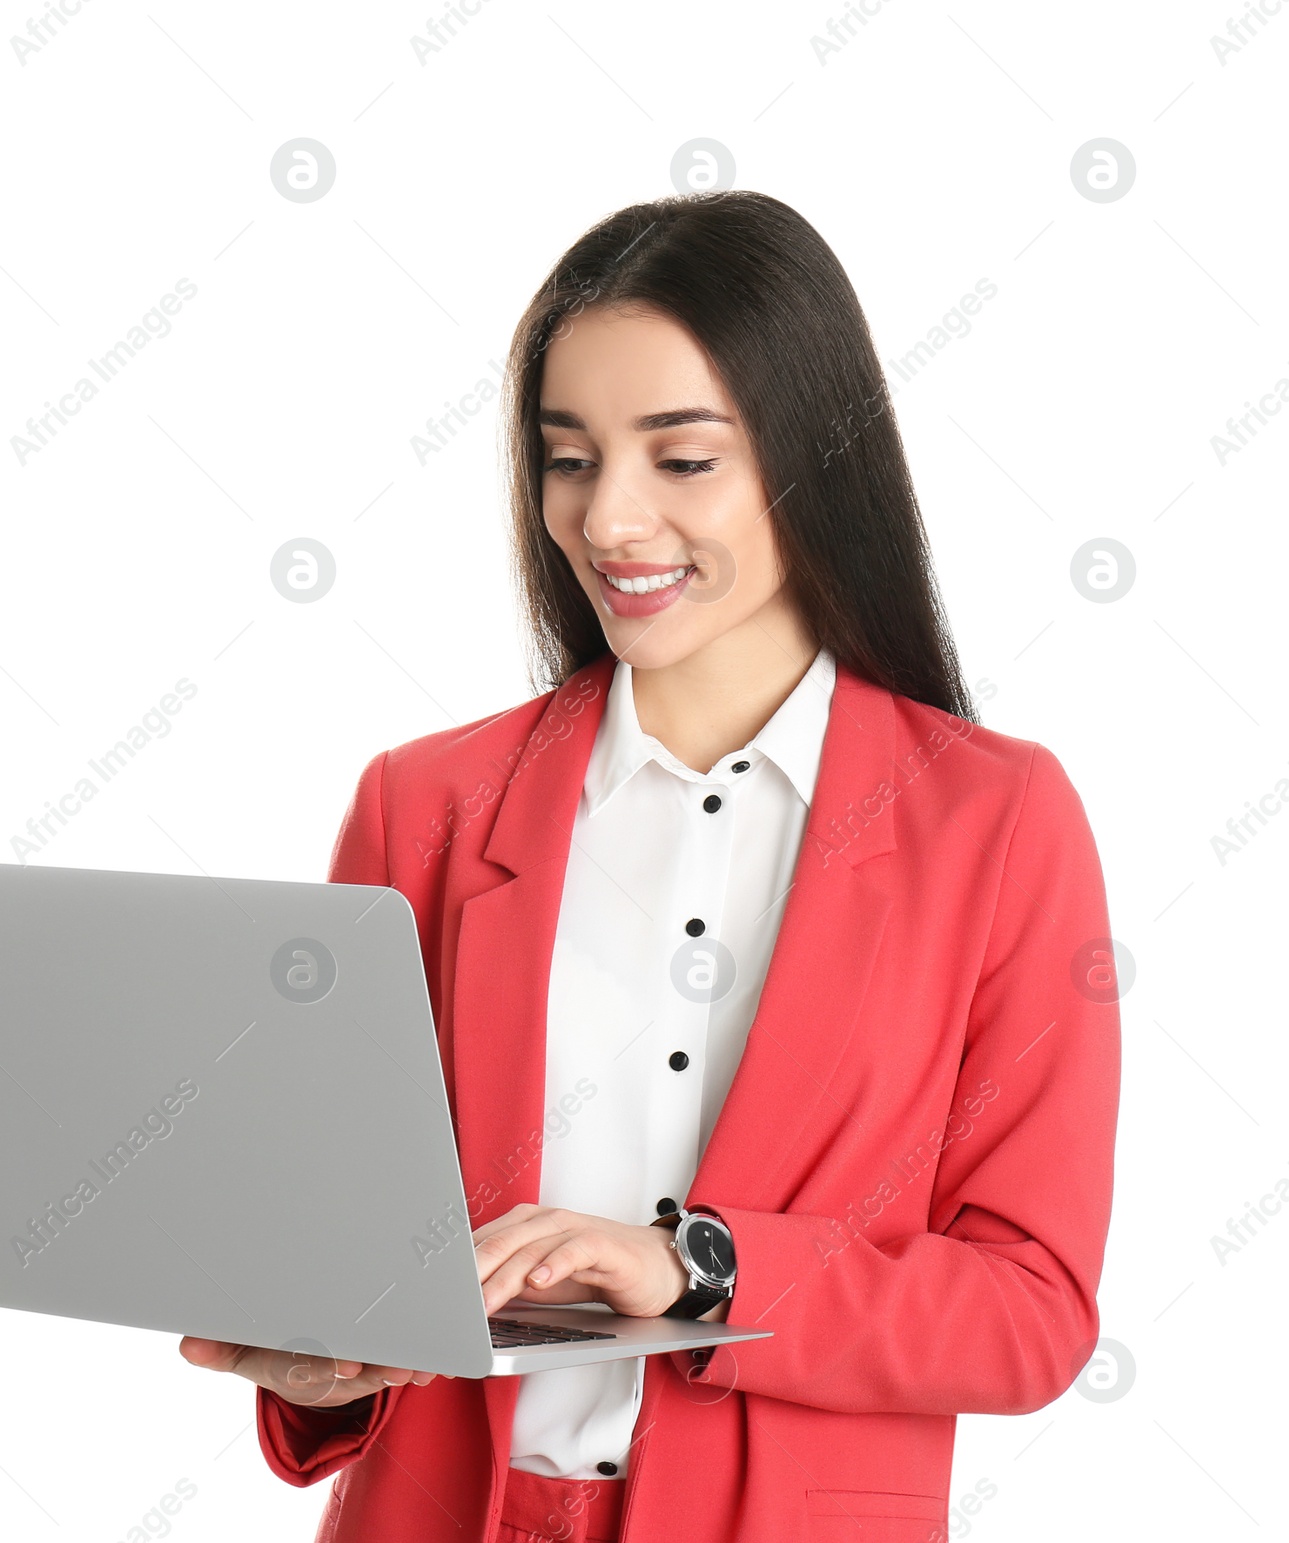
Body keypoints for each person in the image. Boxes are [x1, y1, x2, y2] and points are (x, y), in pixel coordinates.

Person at [179, 190, 1122, 1543]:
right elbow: (338, 1247)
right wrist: (321, 1359)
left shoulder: (996, 822)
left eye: (681, 462)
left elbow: (1029, 1310)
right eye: (568, 460)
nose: (610, 520)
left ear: (814, 460)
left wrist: (692, 1271)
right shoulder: (423, 807)